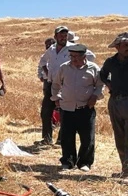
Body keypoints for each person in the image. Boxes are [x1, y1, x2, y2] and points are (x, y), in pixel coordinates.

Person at [50, 44, 105, 171]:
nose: (73, 59)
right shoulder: (64, 68)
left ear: (84, 56)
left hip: (85, 108)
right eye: (71, 56)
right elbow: (56, 84)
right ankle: (68, 162)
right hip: (67, 108)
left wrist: (95, 97)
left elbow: (100, 85)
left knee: (87, 138)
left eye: (76, 56)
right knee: (67, 137)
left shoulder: (93, 68)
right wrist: (56, 97)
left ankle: (84, 163)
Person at [38, 26, 95, 145]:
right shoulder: (52, 49)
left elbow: (91, 56)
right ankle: (47, 138)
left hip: (66, 84)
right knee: (45, 112)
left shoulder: (72, 48)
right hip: (51, 84)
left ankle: (61, 139)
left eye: (65, 35)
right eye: (61, 35)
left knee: (64, 113)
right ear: (55, 37)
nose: (63, 38)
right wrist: (47, 73)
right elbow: (43, 61)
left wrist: (78, 67)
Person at [100, 32, 128, 180]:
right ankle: (125, 170)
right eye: (125, 45)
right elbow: (102, 75)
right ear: (117, 47)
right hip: (115, 102)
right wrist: (109, 84)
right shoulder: (110, 62)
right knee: (119, 137)